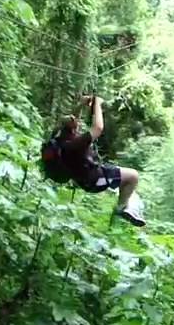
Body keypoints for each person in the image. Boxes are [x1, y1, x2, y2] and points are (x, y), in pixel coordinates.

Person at [51, 95, 145, 227]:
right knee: (133, 176)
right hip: (96, 180)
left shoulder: (60, 139)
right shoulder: (76, 144)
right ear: (72, 128)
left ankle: (124, 198)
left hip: (85, 175)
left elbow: (73, 118)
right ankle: (121, 209)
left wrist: (81, 104)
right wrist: (98, 104)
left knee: (123, 180)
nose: (76, 120)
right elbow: (98, 128)